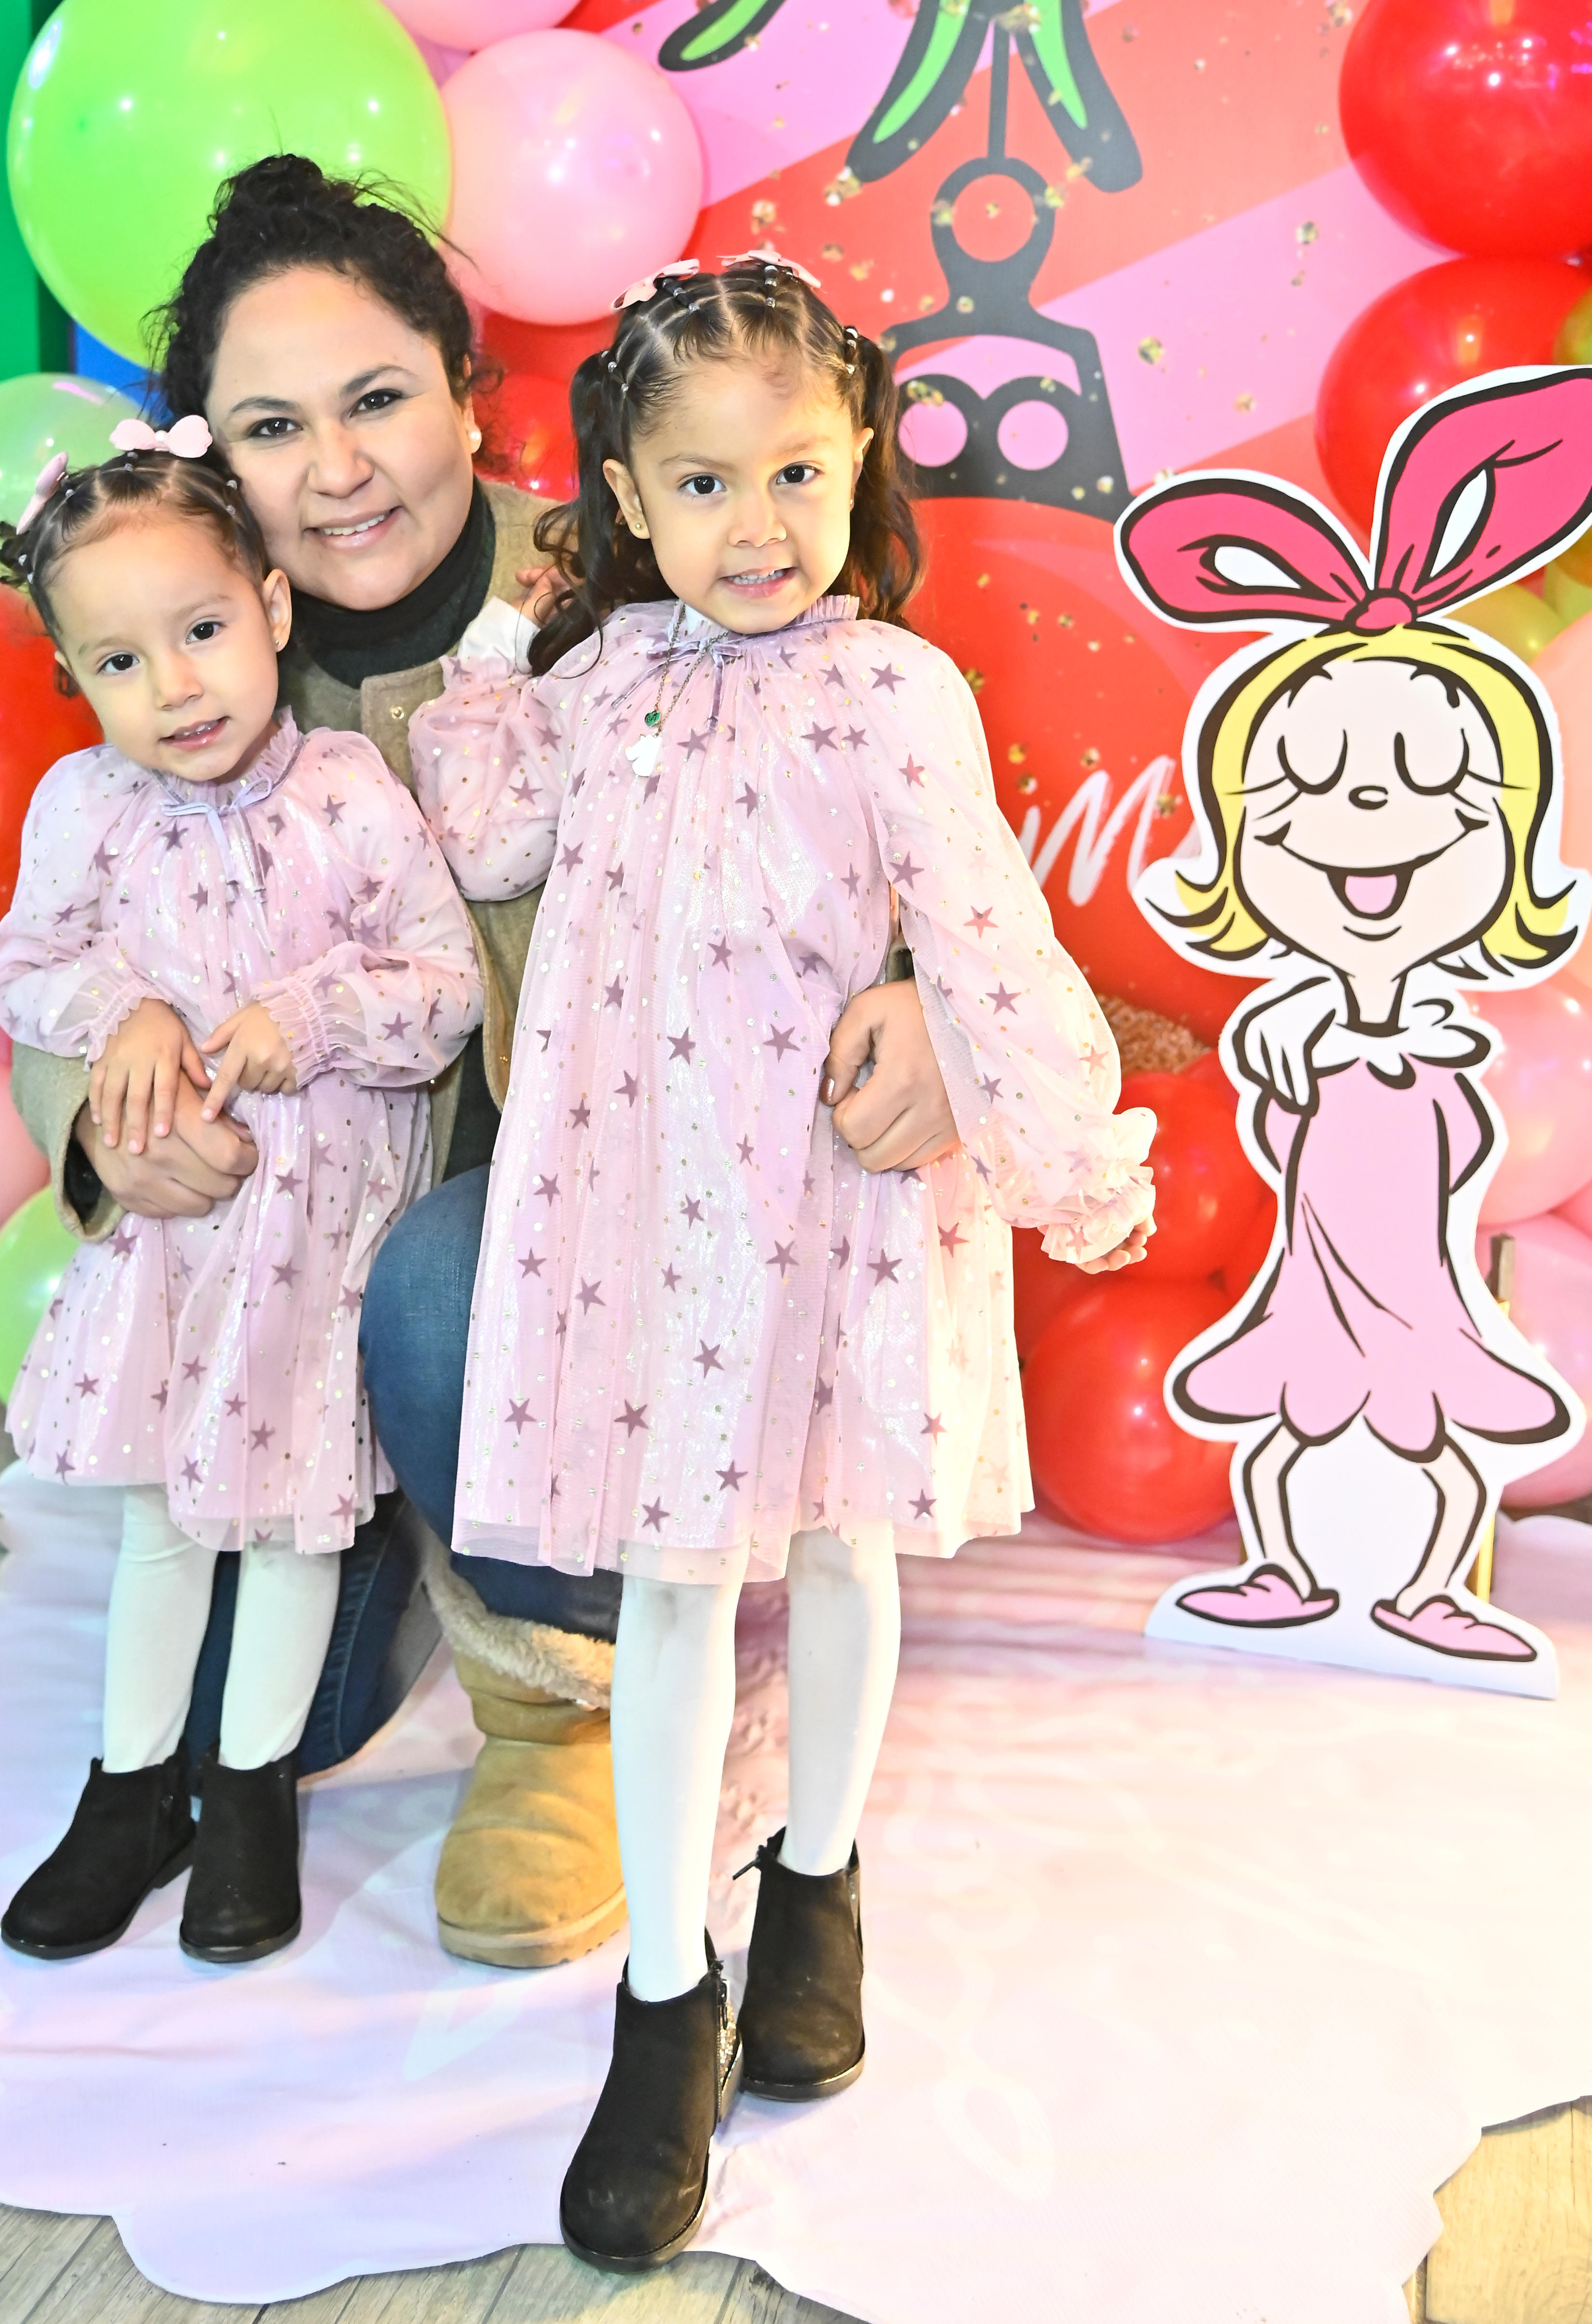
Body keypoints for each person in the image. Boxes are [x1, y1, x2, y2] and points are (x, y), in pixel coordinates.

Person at [9, 157, 965, 1971]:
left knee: (450, 1282)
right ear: (212, 455)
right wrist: (101, 1123)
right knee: (246, 1696)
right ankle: (274, 1702)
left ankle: (555, 1691)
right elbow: (58, 954)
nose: (340, 467)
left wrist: (918, 988)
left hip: (566, 1253)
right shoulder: (178, 650)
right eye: (276, 426)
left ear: (471, 392)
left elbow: (872, 776)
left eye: (379, 399)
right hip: (273, 1268)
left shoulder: (639, 567)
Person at [411, 253, 1155, 2269]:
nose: (759, 527)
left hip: (831, 1206)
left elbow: (982, 924)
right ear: (632, 501)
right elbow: (482, 832)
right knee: (670, 1584)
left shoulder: (895, 687)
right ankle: (666, 1997)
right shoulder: (603, 682)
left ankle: (814, 1879)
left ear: (854, 473)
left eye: (797, 476)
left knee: (836, 1547)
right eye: (706, 484)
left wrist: (1069, 1154)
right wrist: (502, 632)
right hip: (640, 1224)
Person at [0, 421, 479, 1965]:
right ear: (77, 677)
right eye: (122, 663)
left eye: (201, 632)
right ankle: (130, 1788)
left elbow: (446, 983)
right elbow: (25, 962)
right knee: (161, 1524)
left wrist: (310, 1014)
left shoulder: (346, 789)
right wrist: (118, 1014)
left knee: (288, 1534)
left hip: (318, 1245)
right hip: (182, 1246)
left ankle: (249, 1791)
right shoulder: (84, 809)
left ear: (271, 608)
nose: (176, 688)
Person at [1116, 375, 1590, 1659]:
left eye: (1431, 782)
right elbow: (1293, 1125)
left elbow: (1437, 1137)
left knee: (1435, 1443)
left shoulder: (1441, 1047)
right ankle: (1286, 1578)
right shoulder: (1297, 1034)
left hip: (1417, 1284)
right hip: (1320, 1282)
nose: (1365, 818)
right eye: (1311, 786)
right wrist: (1297, 1051)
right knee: (1291, 1431)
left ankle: (1430, 1592)